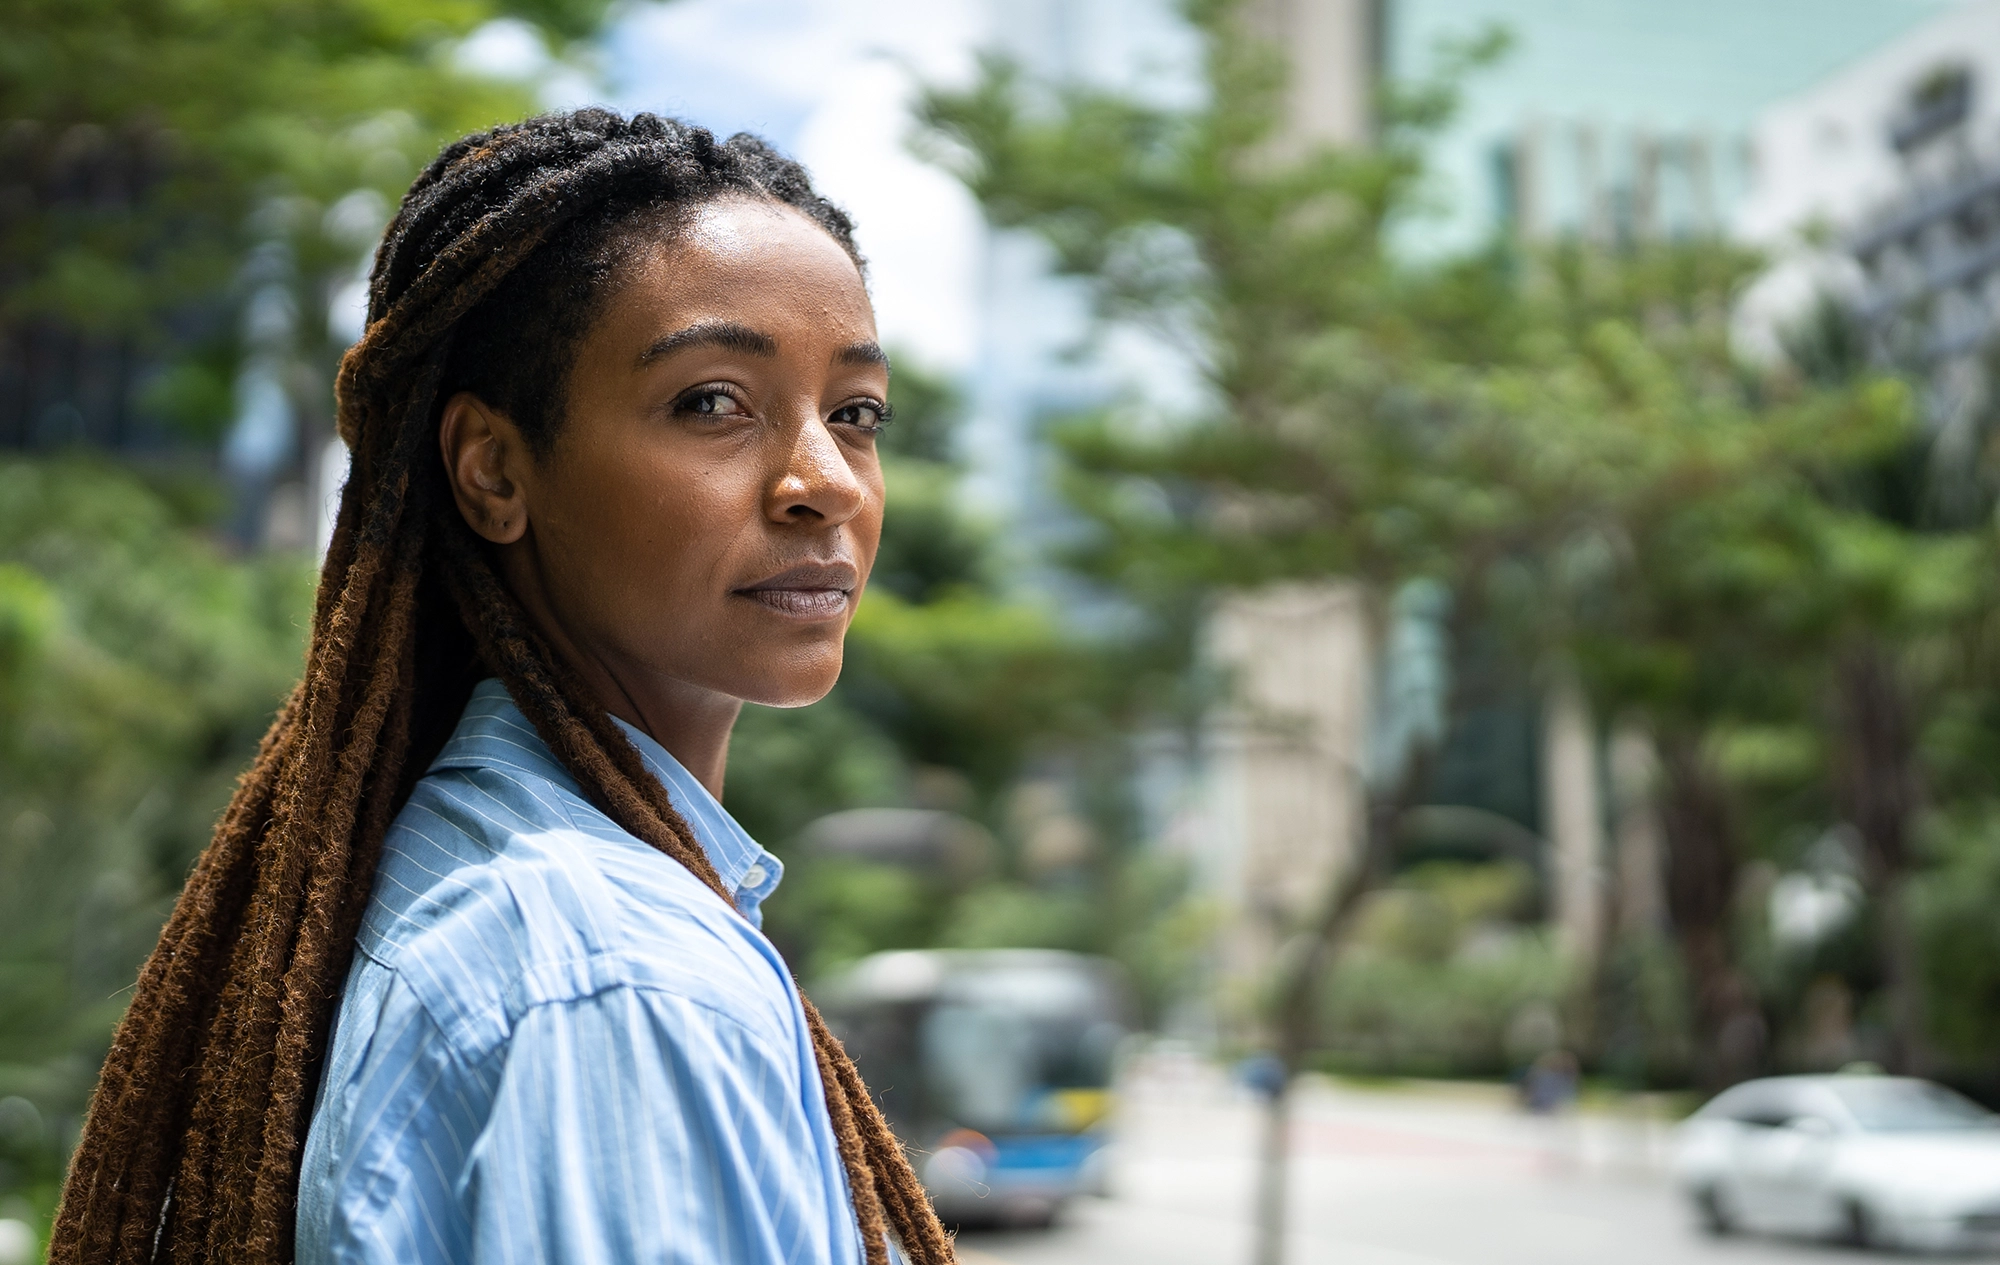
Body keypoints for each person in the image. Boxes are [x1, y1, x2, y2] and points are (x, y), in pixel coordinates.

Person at [49, 110, 955, 1265]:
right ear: (493, 469)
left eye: (855, 413)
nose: (823, 482)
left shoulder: (451, 864)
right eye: (711, 402)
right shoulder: (613, 986)